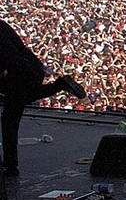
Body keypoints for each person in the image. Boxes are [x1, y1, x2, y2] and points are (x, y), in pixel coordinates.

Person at [0, 18, 86, 176]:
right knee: (23, 99)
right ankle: (60, 84)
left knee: (9, 120)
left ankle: (10, 166)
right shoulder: (3, 25)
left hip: (17, 74)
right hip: (33, 68)